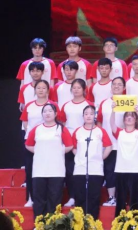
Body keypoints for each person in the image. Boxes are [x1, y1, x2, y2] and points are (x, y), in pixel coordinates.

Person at [25, 103, 73, 218]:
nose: (47, 113)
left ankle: (53, 224)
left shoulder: (61, 129)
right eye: (45, 111)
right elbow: (28, 145)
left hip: (56, 170)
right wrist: (39, 151)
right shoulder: (36, 129)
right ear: (42, 114)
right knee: (39, 199)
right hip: (39, 170)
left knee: (54, 199)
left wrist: (58, 151)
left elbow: (70, 145)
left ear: (55, 114)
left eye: (50, 111)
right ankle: (39, 224)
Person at [20, 80, 57, 207]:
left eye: (43, 88)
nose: (41, 90)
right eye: (38, 88)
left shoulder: (53, 105)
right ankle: (31, 198)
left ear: (48, 90)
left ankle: (48, 199)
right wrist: (31, 135)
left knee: (49, 171)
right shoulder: (29, 105)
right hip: (32, 143)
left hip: (49, 143)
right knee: (30, 170)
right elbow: (25, 122)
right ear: (35, 90)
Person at [72, 105, 112, 218]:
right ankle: (79, 222)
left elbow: (109, 147)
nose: (88, 116)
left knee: (94, 197)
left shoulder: (100, 131)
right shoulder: (78, 131)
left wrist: (100, 158)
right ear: (83, 116)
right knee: (80, 197)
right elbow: (73, 147)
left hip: (96, 169)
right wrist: (80, 157)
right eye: (86, 114)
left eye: (91, 114)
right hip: (80, 169)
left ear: (95, 116)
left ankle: (93, 222)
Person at [59, 79, 93, 207]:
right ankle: (72, 196)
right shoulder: (66, 105)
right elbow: (62, 123)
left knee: (85, 170)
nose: (76, 90)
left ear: (84, 89)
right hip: (69, 142)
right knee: (70, 170)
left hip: (84, 140)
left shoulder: (89, 104)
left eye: (79, 87)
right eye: (74, 88)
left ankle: (85, 197)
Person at [96, 77, 127, 206]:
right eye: (114, 84)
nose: (116, 86)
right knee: (109, 170)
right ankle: (111, 197)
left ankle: (123, 197)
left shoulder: (127, 102)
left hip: (124, 144)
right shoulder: (104, 103)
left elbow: (133, 121)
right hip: (108, 144)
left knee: (123, 172)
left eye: (120, 84)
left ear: (124, 88)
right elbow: (99, 122)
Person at [111, 105, 138, 216]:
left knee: (135, 198)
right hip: (121, 169)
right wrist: (113, 110)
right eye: (127, 116)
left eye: (132, 116)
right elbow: (112, 124)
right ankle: (119, 221)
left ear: (136, 120)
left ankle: (136, 221)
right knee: (120, 198)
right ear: (124, 120)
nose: (129, 118)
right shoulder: (119, 132)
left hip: (135, 170)